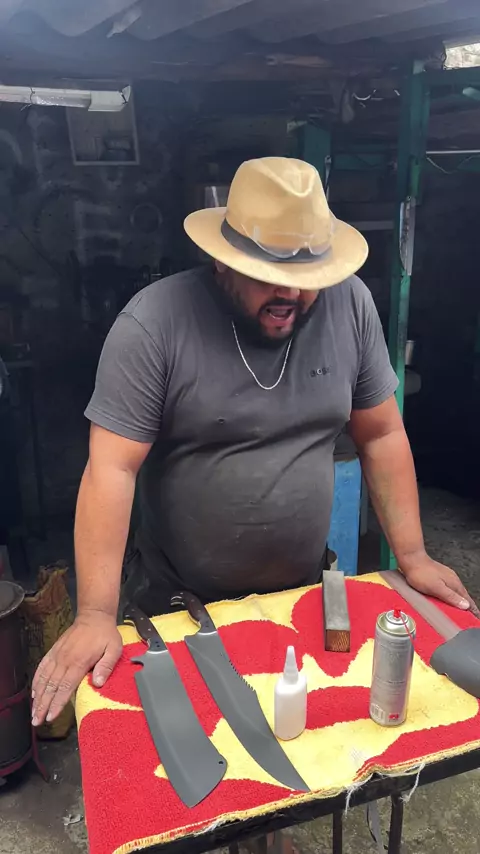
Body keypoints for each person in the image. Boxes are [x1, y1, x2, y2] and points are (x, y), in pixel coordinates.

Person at [32, 157, 478, 727]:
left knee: (302, 734)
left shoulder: (349, 306)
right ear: (223, 262)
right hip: (177, 603)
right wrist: (94, 613)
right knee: (189, 745)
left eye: (307, 278)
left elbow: (382, 433)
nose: (289, 291)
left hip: (300, 597)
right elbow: (111, 469)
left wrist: (411, 555)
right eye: (267, 274)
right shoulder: (155, 324)